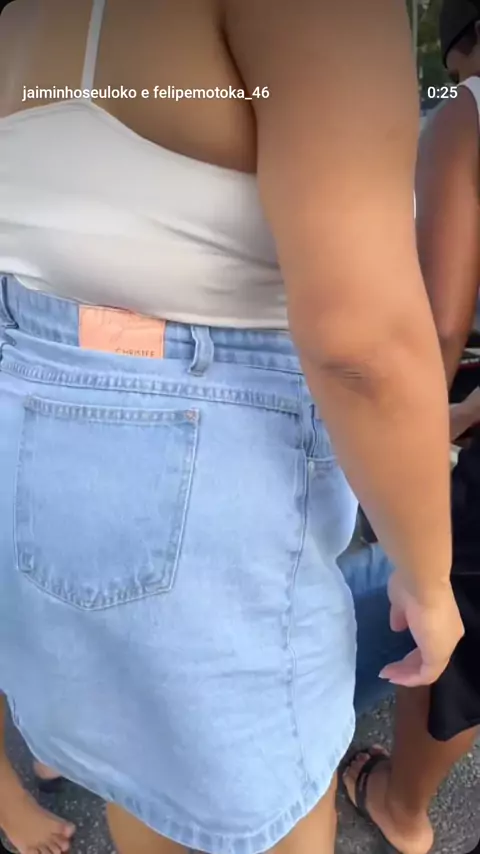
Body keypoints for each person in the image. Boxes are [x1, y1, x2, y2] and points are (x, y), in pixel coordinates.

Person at [0, 1, 462, 853]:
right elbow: (362, 343)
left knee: (146, 775)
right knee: (267, 808)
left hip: (36, 419)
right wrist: (428, 575)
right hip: (212, 469)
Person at [343, 2, 480, 853]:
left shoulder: (467, 116)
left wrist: (415, 449)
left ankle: (402, 808)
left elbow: (439, 327)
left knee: (455, 623)